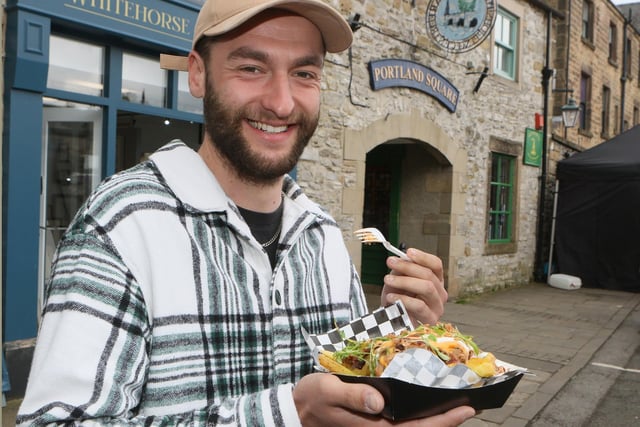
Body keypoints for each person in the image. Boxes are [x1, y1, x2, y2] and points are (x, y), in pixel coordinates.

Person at [17, 0, 475, 425]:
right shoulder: (120, 226)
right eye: (251, 67)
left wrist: (400, 342)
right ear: (198, 75)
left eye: (304, 73)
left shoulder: (323, 234)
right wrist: (286, 416)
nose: (280, 102)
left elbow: (352, 388)